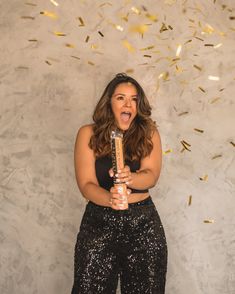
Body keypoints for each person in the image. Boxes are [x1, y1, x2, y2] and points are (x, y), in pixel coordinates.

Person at [71, 73, 167, 294]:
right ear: (109, 102)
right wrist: (110, 198)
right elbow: (86, 184)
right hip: (99, 223)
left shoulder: (148, 132)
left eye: (134, 99)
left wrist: (129, 177)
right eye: (121, 98)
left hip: (143, 224)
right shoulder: (88, 134)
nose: (128, 104)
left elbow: (151, 175)